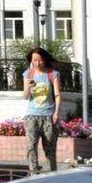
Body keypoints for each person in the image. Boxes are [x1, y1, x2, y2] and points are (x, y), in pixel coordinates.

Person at [22, 45, 62, 173]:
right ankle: (34, 172)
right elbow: (25, 96)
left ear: (44, 60)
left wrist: (56, 113)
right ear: (31, 61)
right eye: (34, 60)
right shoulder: (28, 74)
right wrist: (28, 85)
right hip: (32, 116)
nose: (37, 63)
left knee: (50, 149)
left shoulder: (52, 74)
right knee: (31, 147)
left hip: (49, 116)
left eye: (40, 60)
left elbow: (57, 95)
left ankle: (52, 173)